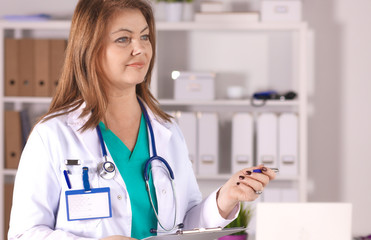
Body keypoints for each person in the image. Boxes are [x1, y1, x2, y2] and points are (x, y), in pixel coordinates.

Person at [8, 0, 276, 239]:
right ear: (89, 48)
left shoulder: (166, 131)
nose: (140, 49)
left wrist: (226, 197)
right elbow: (24, 233)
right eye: (123, 39)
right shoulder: (53, 134)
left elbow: (183, 226)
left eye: (144, 37)